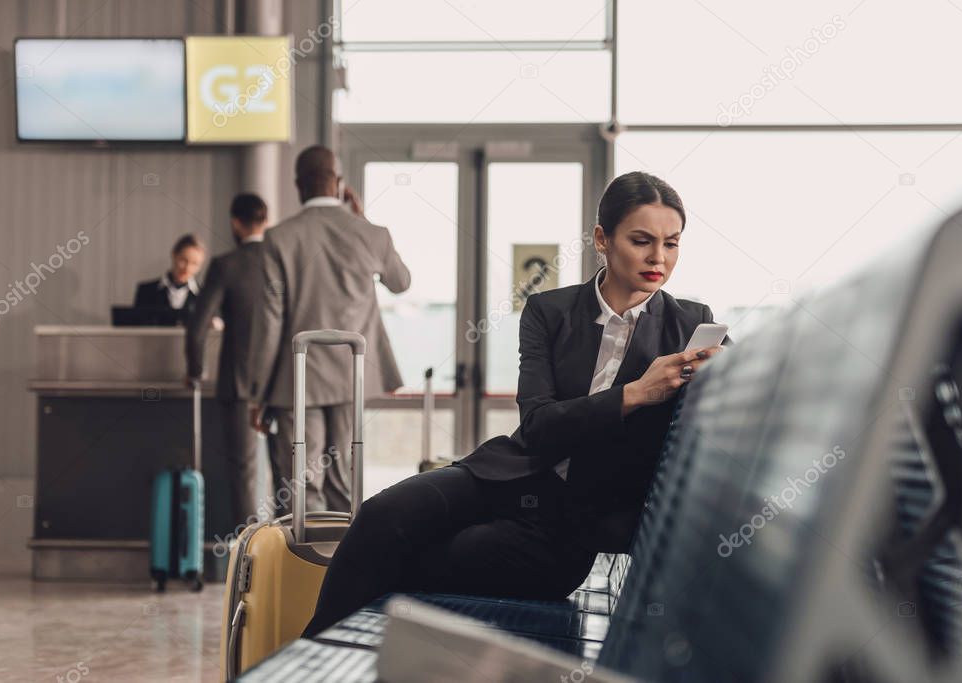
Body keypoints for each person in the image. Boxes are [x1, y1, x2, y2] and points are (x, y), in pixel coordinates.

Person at [301, 171, 732, 638]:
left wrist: (725, 369)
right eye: (642, 240)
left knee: (434, 556)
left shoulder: (690, 323)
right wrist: (636, 393)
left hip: (572, 523)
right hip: (509, 473)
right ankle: (307, 654)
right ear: (602, 239)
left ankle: (360, 658)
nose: (659, 259)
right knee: (380, 516)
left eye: (672, 244)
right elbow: (540, 425)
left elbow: (740, 391)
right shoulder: (550, 311)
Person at [247, 145, 411, 515]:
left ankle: (301, 568)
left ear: (298, 186)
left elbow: (270, 318)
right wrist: (363, 220)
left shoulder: (279, 238)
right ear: (339, 184)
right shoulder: (373, 235)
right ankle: (343, 567)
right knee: (344, 483)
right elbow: (401, 282)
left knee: (300, 485)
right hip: (351, 376)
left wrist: (258, 391)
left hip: (297, 378)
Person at [185, 194, 270, 527]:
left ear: (235, 222)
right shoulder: (284, 260)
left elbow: (196, 328)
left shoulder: (226, 265)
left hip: (240, 383)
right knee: (291, 472)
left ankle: (249, 562)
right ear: (265, 221)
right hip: (287, 381)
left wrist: (194, 371)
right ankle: (293, 559)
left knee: (244, 473)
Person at [133, 233, 206, 314]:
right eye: (183, 260)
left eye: (194, 263)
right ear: (174, 255)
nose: (187, 268)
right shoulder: (146, 291)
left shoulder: (205, 296)